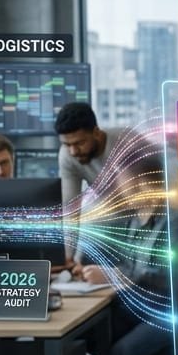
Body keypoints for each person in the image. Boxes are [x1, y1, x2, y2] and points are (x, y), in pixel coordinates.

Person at [72, 134, 176, 355]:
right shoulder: (136, 218)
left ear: (147, 184)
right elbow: (130, 262)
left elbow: (164, 274)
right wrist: (97, 267)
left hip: (170, 311)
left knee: (123, 353)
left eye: (126, 187)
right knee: (88, 335)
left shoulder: (174, 222)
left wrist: (114, 275)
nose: (121, 194)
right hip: (140, 307)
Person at [56, 102, 126, 260]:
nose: (73, 151)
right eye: (67, 144)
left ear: (96, 132)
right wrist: (68, 257)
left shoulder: (126, 143)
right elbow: (71, 209)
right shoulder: (67, 155)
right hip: (108, 217)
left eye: (79, 143)